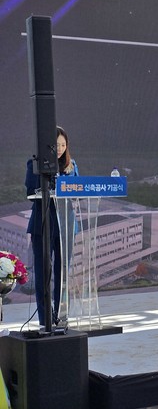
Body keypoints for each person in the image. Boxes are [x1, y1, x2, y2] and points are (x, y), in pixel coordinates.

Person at [25, 126, 79, 325]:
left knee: (63, 272)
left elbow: (78, 190)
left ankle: (61, 317)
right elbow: (30, 192)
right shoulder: (34, 164)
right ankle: (45, 319)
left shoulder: (72, 165)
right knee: (43, 273)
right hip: (42, 223)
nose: (60, 149)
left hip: (66, 224)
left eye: (63, 145)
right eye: (57, 145)